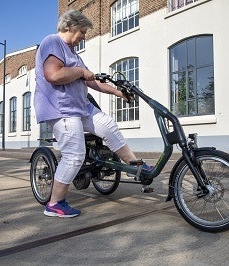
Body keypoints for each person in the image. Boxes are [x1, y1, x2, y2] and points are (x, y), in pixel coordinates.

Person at [34, 9, 151, 218]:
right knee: (74, 155)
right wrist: (80, 72)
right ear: (69, 26)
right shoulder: (53, 42)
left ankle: (136, 167)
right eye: (82, 32)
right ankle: (54, 203)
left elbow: (91, 80)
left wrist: (118, 92)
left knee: (109, 126)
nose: (83, 37)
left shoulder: (73, 54)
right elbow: (53, 74)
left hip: (81, 107)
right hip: (61, 109)